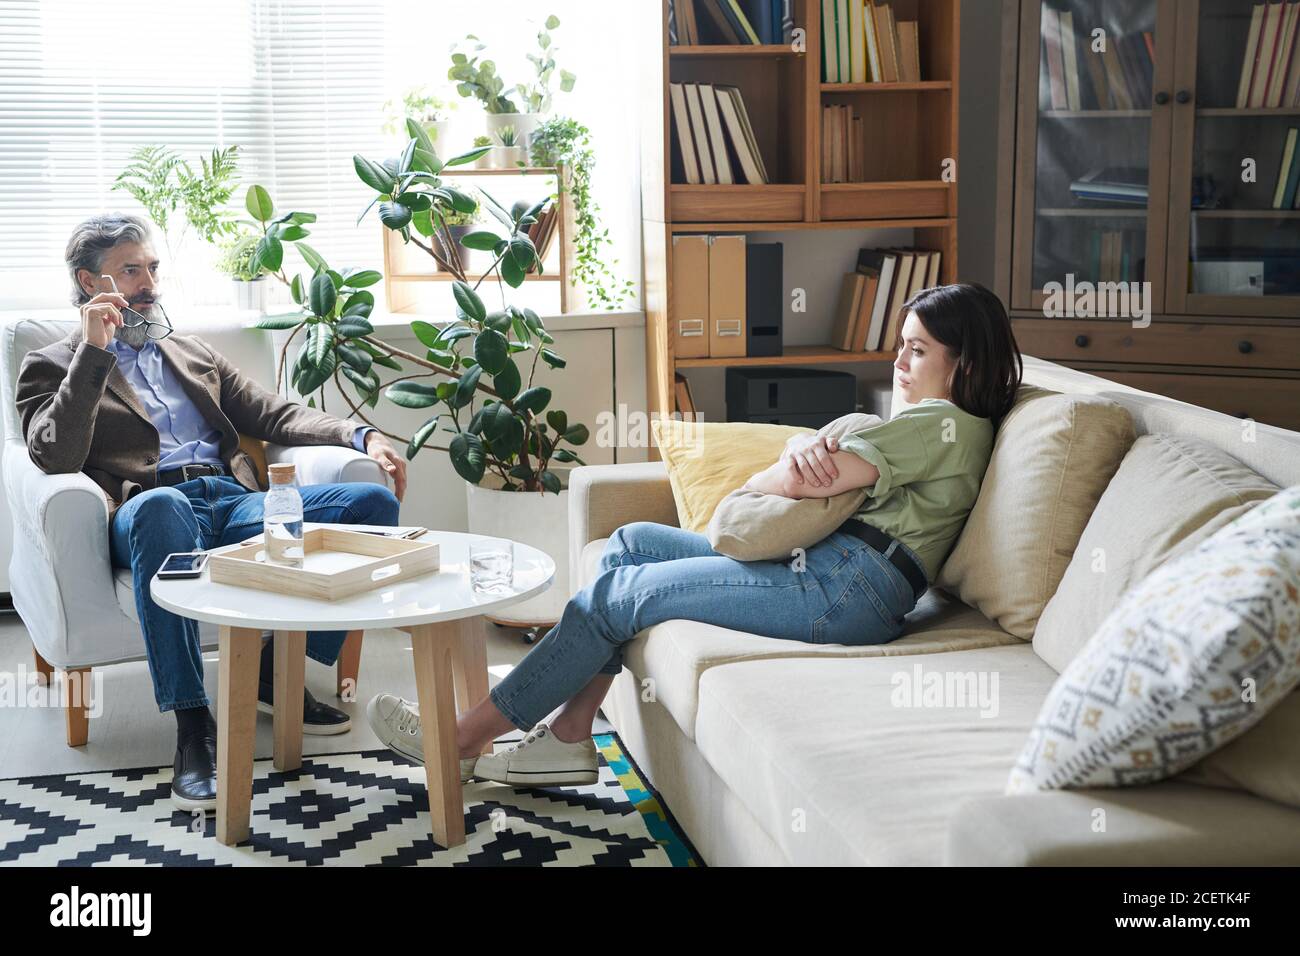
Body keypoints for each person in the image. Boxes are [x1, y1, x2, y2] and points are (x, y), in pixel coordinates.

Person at [368, 282, 1022, 789]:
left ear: (965, 363)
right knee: (628, 543)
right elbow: (808, 469)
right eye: (901, 344)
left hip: (843, 586)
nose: (900, 362)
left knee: (614, 597)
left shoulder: (939, 422)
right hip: (834, 568)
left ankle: (460, 741)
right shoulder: (949, 427)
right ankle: (569, 736)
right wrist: (792, 462)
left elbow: (809, 480)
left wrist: (786, 468)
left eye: (919, 350)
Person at [15, 213, 409, 811]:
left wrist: (360, 436)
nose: (148, 282)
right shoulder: (51, 363)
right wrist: (93, 354)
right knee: (163, 507)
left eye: (151, 268)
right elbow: (55, 453)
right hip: (147, 510)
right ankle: (192, 724)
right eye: (130, 270)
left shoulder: (190, 351)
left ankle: (278, 668)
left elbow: (273, 414)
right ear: (90, 282)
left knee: (371, 502)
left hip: (232, 499)